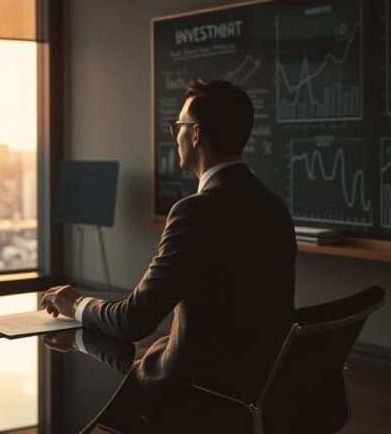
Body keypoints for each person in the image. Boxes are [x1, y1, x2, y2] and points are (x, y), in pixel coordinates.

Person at [41, 78, 296, 412]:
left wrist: (75, 303)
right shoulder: (274, 206)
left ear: (195, 134)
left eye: (178, 125)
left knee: (97, 395)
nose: (174, 135)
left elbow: (134, 321)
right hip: (263, 386)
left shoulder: (196, 212)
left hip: (197, 394)